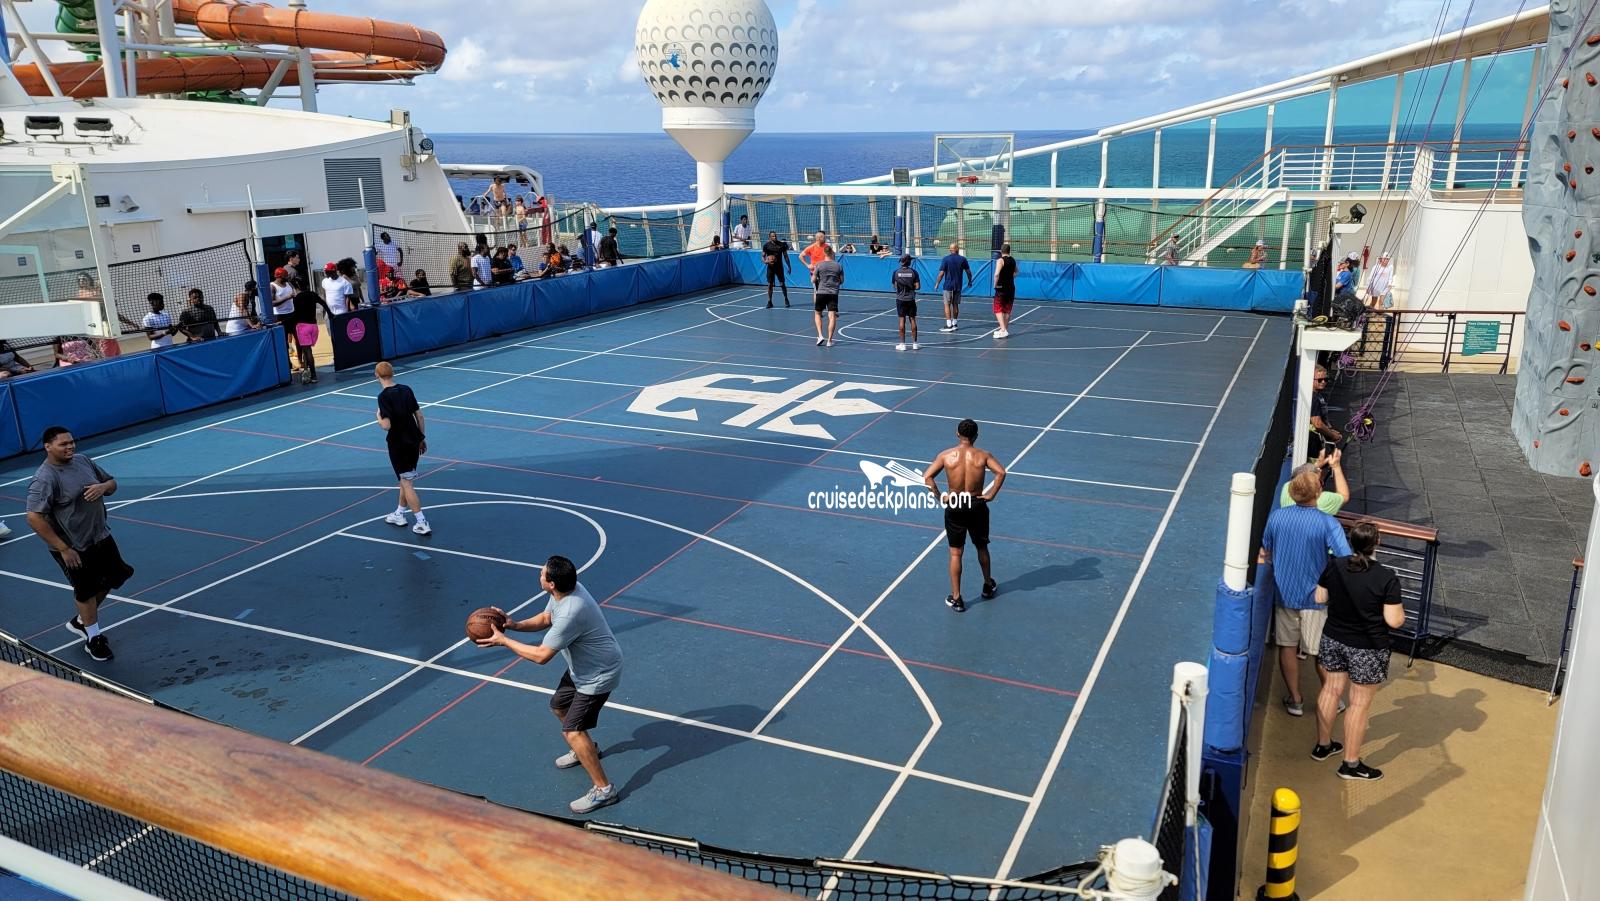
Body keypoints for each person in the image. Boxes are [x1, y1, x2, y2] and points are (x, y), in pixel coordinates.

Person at [475, 555, 624, 815]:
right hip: (583, 668)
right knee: (559, 706)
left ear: (551, 583)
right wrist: (514, 625)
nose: (539, 573)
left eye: (542, 573)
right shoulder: (566, 591)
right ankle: (586, 750)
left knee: (573, 731)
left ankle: (604, 790)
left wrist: (504, 641)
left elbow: (541, 656)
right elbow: (546, 618)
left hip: (598, 674)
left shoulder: (571, 612)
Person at [25, 426, 133, 662]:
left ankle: (81, 621)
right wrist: (64, 548)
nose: (70, 447)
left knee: (117, 576)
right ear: (48, 447)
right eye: (63, 444)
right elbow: (33, 517)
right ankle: (94, 638)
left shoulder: (83, 461)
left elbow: (112, 483)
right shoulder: (45, 478)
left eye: (71, 442)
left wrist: (102, 487)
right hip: (73, 546)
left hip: (100, 535)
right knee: (86, 590)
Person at [1311, 520, 1406, 781]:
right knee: (1359, 704)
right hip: (1368, 647)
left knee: (1330, 690)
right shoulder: (1386, 578)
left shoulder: (1335, 566)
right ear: (1377, 543)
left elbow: (1320, 598)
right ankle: (1350, 764)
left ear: (1351, 542)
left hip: (1333, 637)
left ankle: (1323, 745)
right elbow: (1394, 621)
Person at [1259, 464, 1354, 717]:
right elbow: (1345, 559)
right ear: (1318, 492)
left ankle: (1295, 699)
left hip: (1284, 594)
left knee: (1287, 646)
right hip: (1315, 597)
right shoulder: (1327, 523)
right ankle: (1333, 699)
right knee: (1320, 652)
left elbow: (1266, 550)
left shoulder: (1277, 517)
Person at [923, 418, 1005, 612]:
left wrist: (940, 497)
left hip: (955, 505)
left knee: (955, 552)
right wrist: (991, 495)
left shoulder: (946, 455)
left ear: (957, 434)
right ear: (976, 436)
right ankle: (987, 585)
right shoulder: (983, 455)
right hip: (976, 504)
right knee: (982, 547)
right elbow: (1001, 472)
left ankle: (957, 598)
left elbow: (927, 477)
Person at [373, 361, 430, 535]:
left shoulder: (383, 397)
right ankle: (399, 513)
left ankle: (421, 522)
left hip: (399, 444)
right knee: (404, 478)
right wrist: (421, 438)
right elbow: (420, 416)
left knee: (406, 482)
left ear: (376, 375)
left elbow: (386, 426)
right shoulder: (406, 389)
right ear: (392, 373)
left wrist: (378, 417)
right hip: (413, 441)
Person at [287, 277, 333, 384]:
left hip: (303, 327)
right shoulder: (312, 294)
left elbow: (295, 315)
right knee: (305, 349)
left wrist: (284, 322)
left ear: (296, 287)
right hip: (313, 326)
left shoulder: (296, 299)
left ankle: (313, 375)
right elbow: (323, 303)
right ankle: (305, 371)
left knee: (308, 351)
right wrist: (330, 314)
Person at [1278, 446, 1349, 515]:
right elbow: (1344, 496)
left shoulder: (1287, 488)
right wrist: (1336, 466)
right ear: (1317, 493)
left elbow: (1303, 477)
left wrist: (1316, 466)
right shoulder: (1323, 501)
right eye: (1320, 482)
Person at [933, 242, 972, 332]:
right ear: (957, 249)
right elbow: (968, 272)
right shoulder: (963, 259)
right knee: (955, 305)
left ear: (950, 250)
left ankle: (949, 325)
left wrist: (937, 283)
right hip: (958, 286)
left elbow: (941, 273)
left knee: (947, 304)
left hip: (948, 286)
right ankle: (955, 323)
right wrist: (970, 281)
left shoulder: (946, 259)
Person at [812, 246, 844, 347]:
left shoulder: (819, 265)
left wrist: (817, 278)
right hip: (833, 293)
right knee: (832, 316)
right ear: (832, 253)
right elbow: (842, 280)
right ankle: (829, 340)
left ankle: (820, 335)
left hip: (821, 292)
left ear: (824, 254)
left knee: (818, 314)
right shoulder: (838, 266)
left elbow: (813, 280)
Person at [1309, 364, 1342, 454]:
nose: (1323, 382)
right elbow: (1317, 423)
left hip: (1317, 439)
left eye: (1326, 379)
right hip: (1312, 442)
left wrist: (1329, 430)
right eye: (1320, 380)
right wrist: (1332, 435)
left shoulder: (1317, 395)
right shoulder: (1313, 397)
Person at [892, 254, 920, 351]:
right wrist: (911, 286)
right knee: (912, 319)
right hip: (911, 299)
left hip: (900, 299)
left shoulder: (896, 272)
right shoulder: (914, 272)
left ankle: (902, 344)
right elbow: (918, 287)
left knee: (901, 320)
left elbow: (894, 286)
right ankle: (915, 344)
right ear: (909, 261)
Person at [993, 242, 1017, 339]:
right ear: (1009, 251)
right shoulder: (1013, 260)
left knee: (998, 308)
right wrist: (1010, 277)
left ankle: (1003, 329)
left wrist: (995, 284)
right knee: (1007, 309)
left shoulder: (1000, 260)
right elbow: (1016, 272)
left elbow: (996, 274)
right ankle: (1005, 329)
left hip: (1001, 287)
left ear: (1001, 251)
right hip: (1011, 287)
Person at [762, 230, 791, 308]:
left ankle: (786, 299)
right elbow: (763, 256)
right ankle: (769, 301)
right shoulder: (766, 245)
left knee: (782, 284)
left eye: (775, 236)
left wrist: (789, 266)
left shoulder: (781, 245)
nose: (775, 237)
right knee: (770, 285)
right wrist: (765, 261)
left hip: (779, 267)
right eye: (773, 236)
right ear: (770, 237)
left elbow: (786, 256)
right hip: (770, 268)